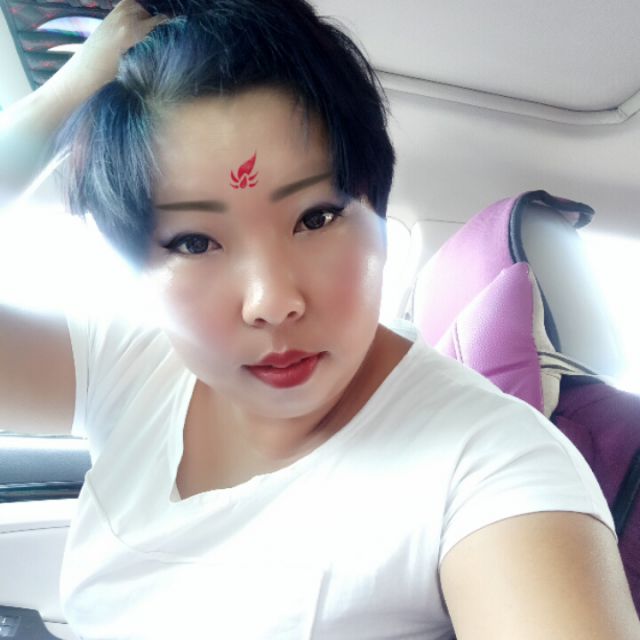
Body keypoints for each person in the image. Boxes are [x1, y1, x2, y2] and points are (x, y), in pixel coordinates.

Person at [0, 1, 638, 638]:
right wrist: (74, 87)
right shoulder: (130, 360)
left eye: (316, 218)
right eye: (194, 242)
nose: (272, 301)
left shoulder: (492, 463)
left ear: (379, 215)